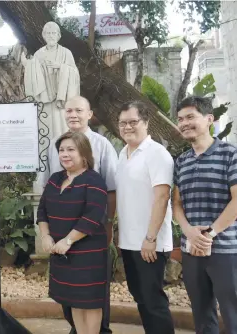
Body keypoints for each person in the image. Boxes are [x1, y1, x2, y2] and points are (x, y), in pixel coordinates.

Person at [47, 96, 117, 334]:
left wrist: (108, 226)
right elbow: (46, 200)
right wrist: (47, 234)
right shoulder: (55, 150)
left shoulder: (102, 147)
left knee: (92, 296)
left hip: (87, 238)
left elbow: (109, 193)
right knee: (71, 297)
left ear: (89, 113)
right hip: (60, 242)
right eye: (69, 110)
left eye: (79, 110)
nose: (73, 114)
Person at [172, 96, 237, 334]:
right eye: (180, 119)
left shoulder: (230, 154)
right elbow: (176, 204)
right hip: (192, 250)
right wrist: (190, 232)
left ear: (209, 119)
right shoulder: (181, 161)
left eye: (191, 117)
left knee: (233, 312)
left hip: (226, 250)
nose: (184, 123)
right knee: (201, 314)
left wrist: (209, 233)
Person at [37, 131, 108, 334]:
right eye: (61, 150)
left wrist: (67, 241)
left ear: (84, 152)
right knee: (74, 301)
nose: (65, 154)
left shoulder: (94, 181)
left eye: (71, 149)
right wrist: (46, 235)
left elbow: (92, 217)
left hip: (87, 254)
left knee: (90, 302)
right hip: (61, 253)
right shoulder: (55, 179)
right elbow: (42, 210)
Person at [115, 101, 175, 334]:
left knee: (153, 301)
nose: (127, 127)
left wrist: (150, 238)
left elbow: (162, 198)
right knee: (140, 297)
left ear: (146, 123)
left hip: (150, 243)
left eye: (133, 122)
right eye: (123, 123)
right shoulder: (123, 153)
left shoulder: (157, 154)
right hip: (129, 242)